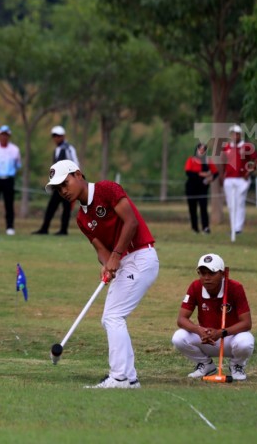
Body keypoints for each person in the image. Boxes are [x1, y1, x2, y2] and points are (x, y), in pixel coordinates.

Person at [45, 159, 159, 389]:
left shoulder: (107, 189)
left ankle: (119, 378)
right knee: (112, 318)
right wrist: (108, 264)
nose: (63, 191)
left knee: (112, 317)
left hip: (141, 257)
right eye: (58, 189)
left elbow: (131, 222)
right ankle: (129, 378)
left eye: (65, 184)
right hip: (125, 261)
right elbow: (100, 250)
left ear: (78, 175)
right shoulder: (81, 218)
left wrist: (116, 256)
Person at [171, 253, 254, 382]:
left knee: (246, 341)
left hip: (229, 338)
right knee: (179, 337)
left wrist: (222, 332)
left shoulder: (235, 288)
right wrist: (199, 330)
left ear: (222, 274)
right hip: (206, 338)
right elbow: (181, 319)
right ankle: (206, 365)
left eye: (212, 273)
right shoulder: (195, 286)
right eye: (202, 273)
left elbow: (247, 323)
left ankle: (237, 365)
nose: (206, 278)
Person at [33, 126, 79, 235]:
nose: (56, 138)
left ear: (63, 136)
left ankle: (63, 230)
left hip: (67, 184)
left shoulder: (69, 148)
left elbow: (76, 164)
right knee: (51, 206)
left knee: (66, 207)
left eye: (58, 136)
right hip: (58, 184)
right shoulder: (56, 150)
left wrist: (74, 181)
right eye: (54, 136)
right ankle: (44, 228)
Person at [221, 125, 257, 237]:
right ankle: (233, 227)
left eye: (236, 134)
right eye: (232, 134)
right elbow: (224, 161)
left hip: (241, 179)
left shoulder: (246, 146)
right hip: (229, 179)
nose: (234, 136)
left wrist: (249, 172)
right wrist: (223, 174)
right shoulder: (227, 147)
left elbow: (255, 159)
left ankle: (238, 228)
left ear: (240, 135)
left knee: (239, 203)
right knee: (231, 205)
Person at [183, 142, 218, 234]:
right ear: (197, 150)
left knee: (203, 208)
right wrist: (201, 174)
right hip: (191, 188)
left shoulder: (207, 161)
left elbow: (215, 173)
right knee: (192, 208)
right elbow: (189, 173)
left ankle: (205, 227)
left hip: (203, 188)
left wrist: (210, 179)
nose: (201, 151)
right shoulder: (191, 160)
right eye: (200, 149)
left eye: (203, 150)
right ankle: (194, 228)